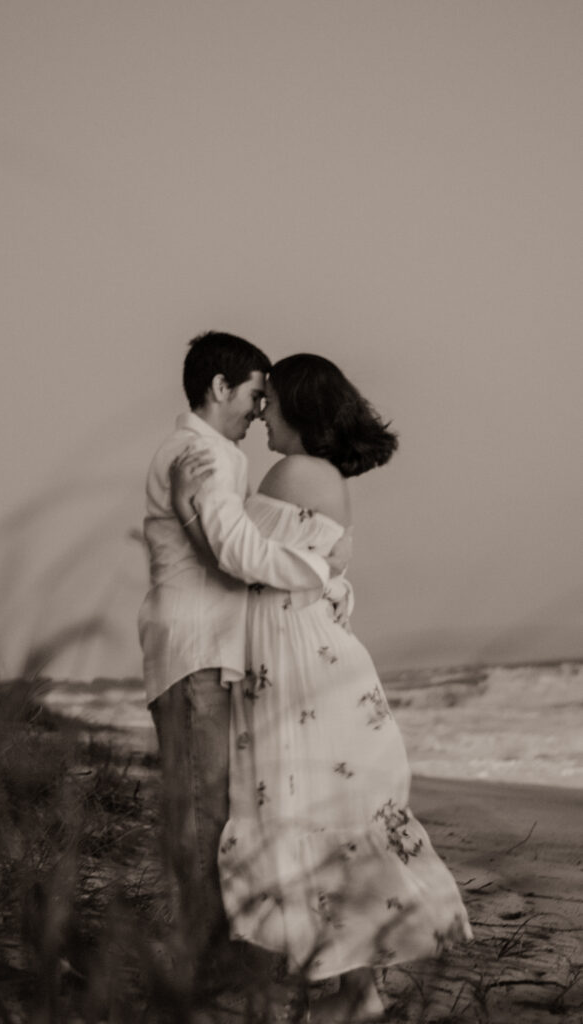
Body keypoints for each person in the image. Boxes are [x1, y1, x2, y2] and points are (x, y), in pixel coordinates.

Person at [171, 353, 473, 1023]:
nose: (258, 417)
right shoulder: (319, 475)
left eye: (268, 404)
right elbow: (308, 567)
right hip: (305, 653)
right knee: (327, 812)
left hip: (295, 662)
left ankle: (352, 989)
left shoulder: (296, 471)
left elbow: (241, 559)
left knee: (307, 808)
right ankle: (353, 988)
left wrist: (202, 496)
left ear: (298, 409)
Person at [137, 334, 348, 1016]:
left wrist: (325, 585)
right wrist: (322, 571)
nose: (262, 410)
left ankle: (218, 962)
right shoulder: (196, 454)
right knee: (206, 818)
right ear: (219, 388)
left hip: (212, 658)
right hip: (195, 654)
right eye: (256, 393)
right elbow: (232, 548)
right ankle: (204, 974)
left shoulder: (219, 456)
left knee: (219, 814)